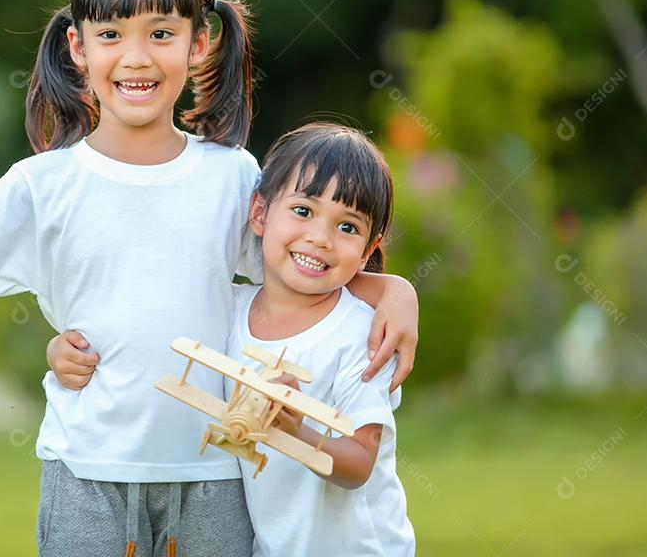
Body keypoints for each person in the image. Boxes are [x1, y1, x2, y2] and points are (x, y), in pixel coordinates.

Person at [0, 0, 417, 556]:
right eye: (110, 35)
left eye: (161, 33)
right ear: (78, 46)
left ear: (199, 42)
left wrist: (393, 290)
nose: (137, 57)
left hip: (213, 476)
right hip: (87, 474)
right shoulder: (43, 185)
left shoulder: (231, 175)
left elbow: (301, 266)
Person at [49, 122, 415, 556]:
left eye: (348, 227)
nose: (320, 238)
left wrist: (296, 427)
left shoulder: (362, 334)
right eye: (303, 211)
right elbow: (146, 330)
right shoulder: (229, 311)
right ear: (259, 213)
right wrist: (62, 350)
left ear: (369, 247)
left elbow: (360, 464)